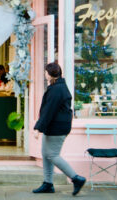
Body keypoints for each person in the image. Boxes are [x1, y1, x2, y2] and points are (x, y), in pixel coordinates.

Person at [32, 62, 86, 196]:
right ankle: (48, 184)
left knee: (52, 155)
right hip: (54, 126)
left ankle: (76, 178)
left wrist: (38, 128)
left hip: (58, 127)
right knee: (46, 154)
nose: (45, 74)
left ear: (50, 74)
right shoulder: (57, 86)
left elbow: (49, 111)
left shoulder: (57, 89)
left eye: (46, 72)